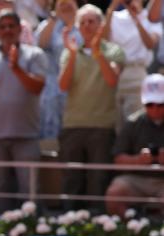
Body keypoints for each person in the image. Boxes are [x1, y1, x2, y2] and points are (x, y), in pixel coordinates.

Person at [0, 9, 46, 215]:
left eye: (11, 26)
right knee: (0, 188)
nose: (7, 30)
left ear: (20, 29)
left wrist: (16, 68)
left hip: (26, 134)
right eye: (2, 27)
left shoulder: (34, 54)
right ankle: (2, 230)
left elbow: (37, 87)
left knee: (29, 190)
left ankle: (31, 233)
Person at [58, 4, 124, 211]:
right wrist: (72, 54)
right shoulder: (69, 52)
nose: (87, 26)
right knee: (72, 181)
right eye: (83, 22)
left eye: (91, 21)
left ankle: (97, 229)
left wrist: (97, 53)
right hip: (73, 126)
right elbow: (63, 86)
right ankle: (70, 227)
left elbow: (112, 80)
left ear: (101, 25)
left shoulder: (114, 50)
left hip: (102, 127)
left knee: (99, 181)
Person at [106, 74, 164, 216]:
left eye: (161, 104)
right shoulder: (133, 123)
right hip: (136, 179)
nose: (155, 109)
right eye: (150, 104)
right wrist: (138, 160)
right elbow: (118, 159)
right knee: (114, 193)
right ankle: (129, 229)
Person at [103, 0, 161, 132]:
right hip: (115, 74)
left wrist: (135, 18)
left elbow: (150, 44)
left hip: (137, 73)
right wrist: (112, 8)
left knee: (135, 122)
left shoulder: (150, 18)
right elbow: (104, 41)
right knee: (116, 124)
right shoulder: (114, 17)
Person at [35, 0, 78, 139]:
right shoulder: (48, 25)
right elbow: (40, 45)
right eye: (61, 2)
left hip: (79, 86)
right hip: (52, 90)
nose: (66, 4)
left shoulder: (85, 21)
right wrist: (55, 17)